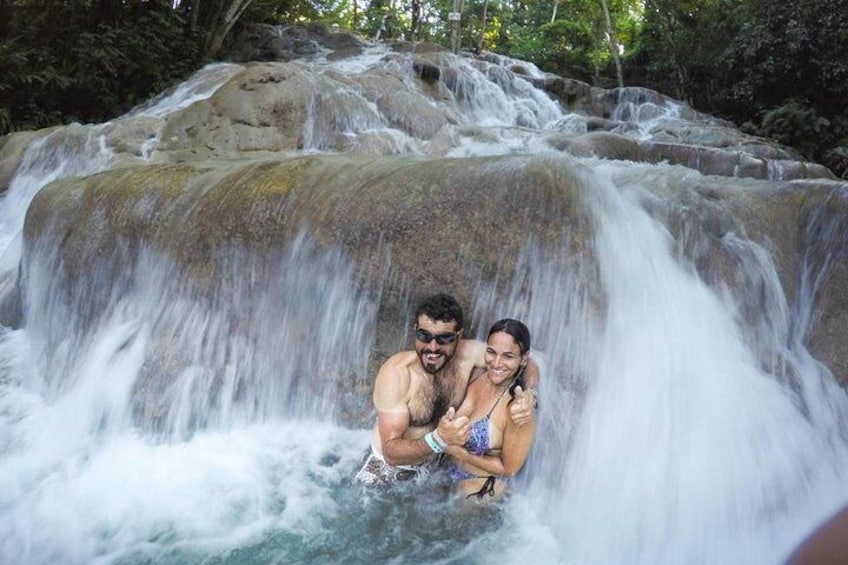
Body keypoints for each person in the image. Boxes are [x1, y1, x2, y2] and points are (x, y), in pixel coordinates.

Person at [355, 294, 538, 485]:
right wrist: (439, 439)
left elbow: (525, 362)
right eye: (424, 336)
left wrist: (530, 394)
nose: (432, 348)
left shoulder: (468, 356)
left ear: (458, 337)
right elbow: (391, 452)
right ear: (415, 330)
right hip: (387, 469)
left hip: (434, 466)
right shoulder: (397, 374)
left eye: (444, 339)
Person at [443, 319, 535, 500]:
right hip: (444, 473)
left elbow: (509, 469)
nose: (497, 363)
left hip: (479, 489)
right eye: (491, 352)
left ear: (523, 359)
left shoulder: (518, 410)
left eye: (508, 356)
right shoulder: (476, 375)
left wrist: (459, 453)